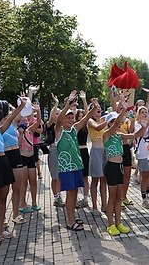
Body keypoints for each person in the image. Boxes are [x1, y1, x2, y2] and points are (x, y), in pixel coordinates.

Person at [102, 98, 148, 235]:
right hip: (111, 167)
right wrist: (123, 109)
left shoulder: (119, 135)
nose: (119, 123)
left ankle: (118, 223)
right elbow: (116, 122)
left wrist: (144, 126)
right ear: (109, 123)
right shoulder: (106, 134)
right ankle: (110, 224)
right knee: (112, 197)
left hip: (120, 168)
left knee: (118, 198)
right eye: (115, 122)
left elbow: (135, 135)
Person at [54, 91, 98, 231]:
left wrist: (93, 108)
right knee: (70, 194)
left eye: (72, 118)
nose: (71, 120)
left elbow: (85, 118)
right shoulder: (59, 130)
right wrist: (67, 105)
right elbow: (59, 119)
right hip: (66, 169)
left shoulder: (74, 129)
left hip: (76, 166)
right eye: (69, 118)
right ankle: (70, 221)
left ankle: (72, 216)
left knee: (74, 193)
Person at [0, 97, 26, 242]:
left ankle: (0, 230)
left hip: (3, 163)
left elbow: (10, 119)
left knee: (2, 198)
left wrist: (22, 105)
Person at [18, 102, 42, 213]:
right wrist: (21, 134)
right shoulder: (18, 132)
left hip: (31, 157)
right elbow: (18, 146)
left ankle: (34, 202)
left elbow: (38, 122)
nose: (25, 122)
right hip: (22, 157)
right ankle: (22, 203)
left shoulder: (30, 130)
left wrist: (38, 110)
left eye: (26, 121)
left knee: (33, 180)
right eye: (23, 121)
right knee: (23, 182)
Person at [87, 102, 108, 215]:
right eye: (95, 109)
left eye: (99, 108)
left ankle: (104, 205)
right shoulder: (90, 121)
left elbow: (115, 113)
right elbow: (98, 127)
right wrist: (108, 121)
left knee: (104, 180)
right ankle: (94, 206)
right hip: (96, 152)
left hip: (105, 152)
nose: (98, 110)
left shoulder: (103, 119)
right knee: (95, 180)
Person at [44, 93, 64, 207]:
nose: (58, 115)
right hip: (53, 150)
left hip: (62, 151)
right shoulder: (50, 124)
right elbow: (51, 118)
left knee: (61, 176)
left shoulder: (63, 125)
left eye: (59, 114)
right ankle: (56, 197)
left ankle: (59, 195)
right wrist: (56, 103)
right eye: (56, 113)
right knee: (55, 177)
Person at [134, 105, 149, 209]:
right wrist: (145, 125)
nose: (145, 114)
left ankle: (147, 193)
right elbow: (139, 134)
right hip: (142, 152)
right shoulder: (137, 124)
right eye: (142, 112)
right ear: (138, 114)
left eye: (146, 112)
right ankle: (144, 198)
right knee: (144, 175)